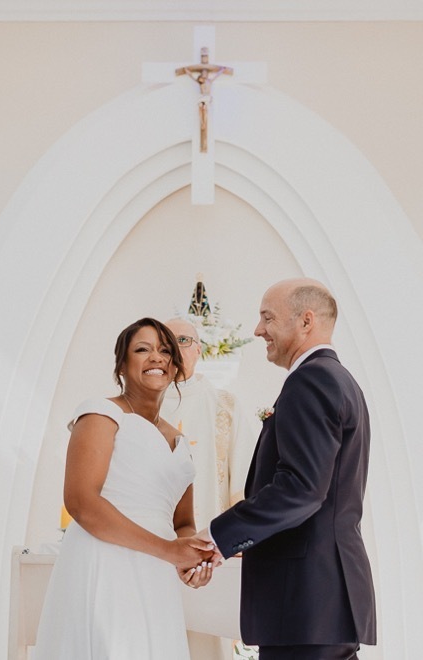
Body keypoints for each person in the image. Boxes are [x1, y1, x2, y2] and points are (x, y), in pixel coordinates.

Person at [200, 278, 377, 660]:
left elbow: (301, 488)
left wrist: (220, 537)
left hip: (304, 599)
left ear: (306, 321)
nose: (257, 330)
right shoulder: (341, 381)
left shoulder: (310, 380)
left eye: (267, 318)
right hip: (323, 600)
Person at [34, 318, 218, 660]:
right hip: (104, 561)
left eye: (165, 351)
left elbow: (182, 523)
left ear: (176, 367)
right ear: (122, 363)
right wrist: (167, 551)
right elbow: (81, 503)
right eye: (142, 349)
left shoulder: (179, 441)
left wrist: (189, 560)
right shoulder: (100, 414)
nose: (156, 358)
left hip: (155, 577)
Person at [161, 317, 259, 660]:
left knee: (203, 644)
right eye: (165, 342)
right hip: (151, 549)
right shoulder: (141, 405)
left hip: (207, 554)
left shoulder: (225, 406)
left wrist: (239, 539)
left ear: (199, 350)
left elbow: (247, 478)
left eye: (183, 340)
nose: (173, 349)